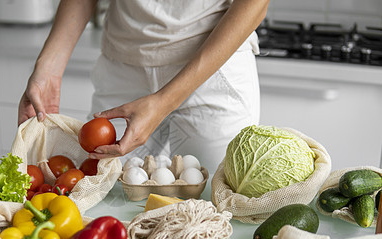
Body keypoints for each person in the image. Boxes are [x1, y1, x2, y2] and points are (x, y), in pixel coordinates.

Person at [18, 0, 269, 173]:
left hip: (212, 70)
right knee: (105, 200)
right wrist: (49, 68)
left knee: (216, 205)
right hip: (123, 67)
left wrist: (164, 101)